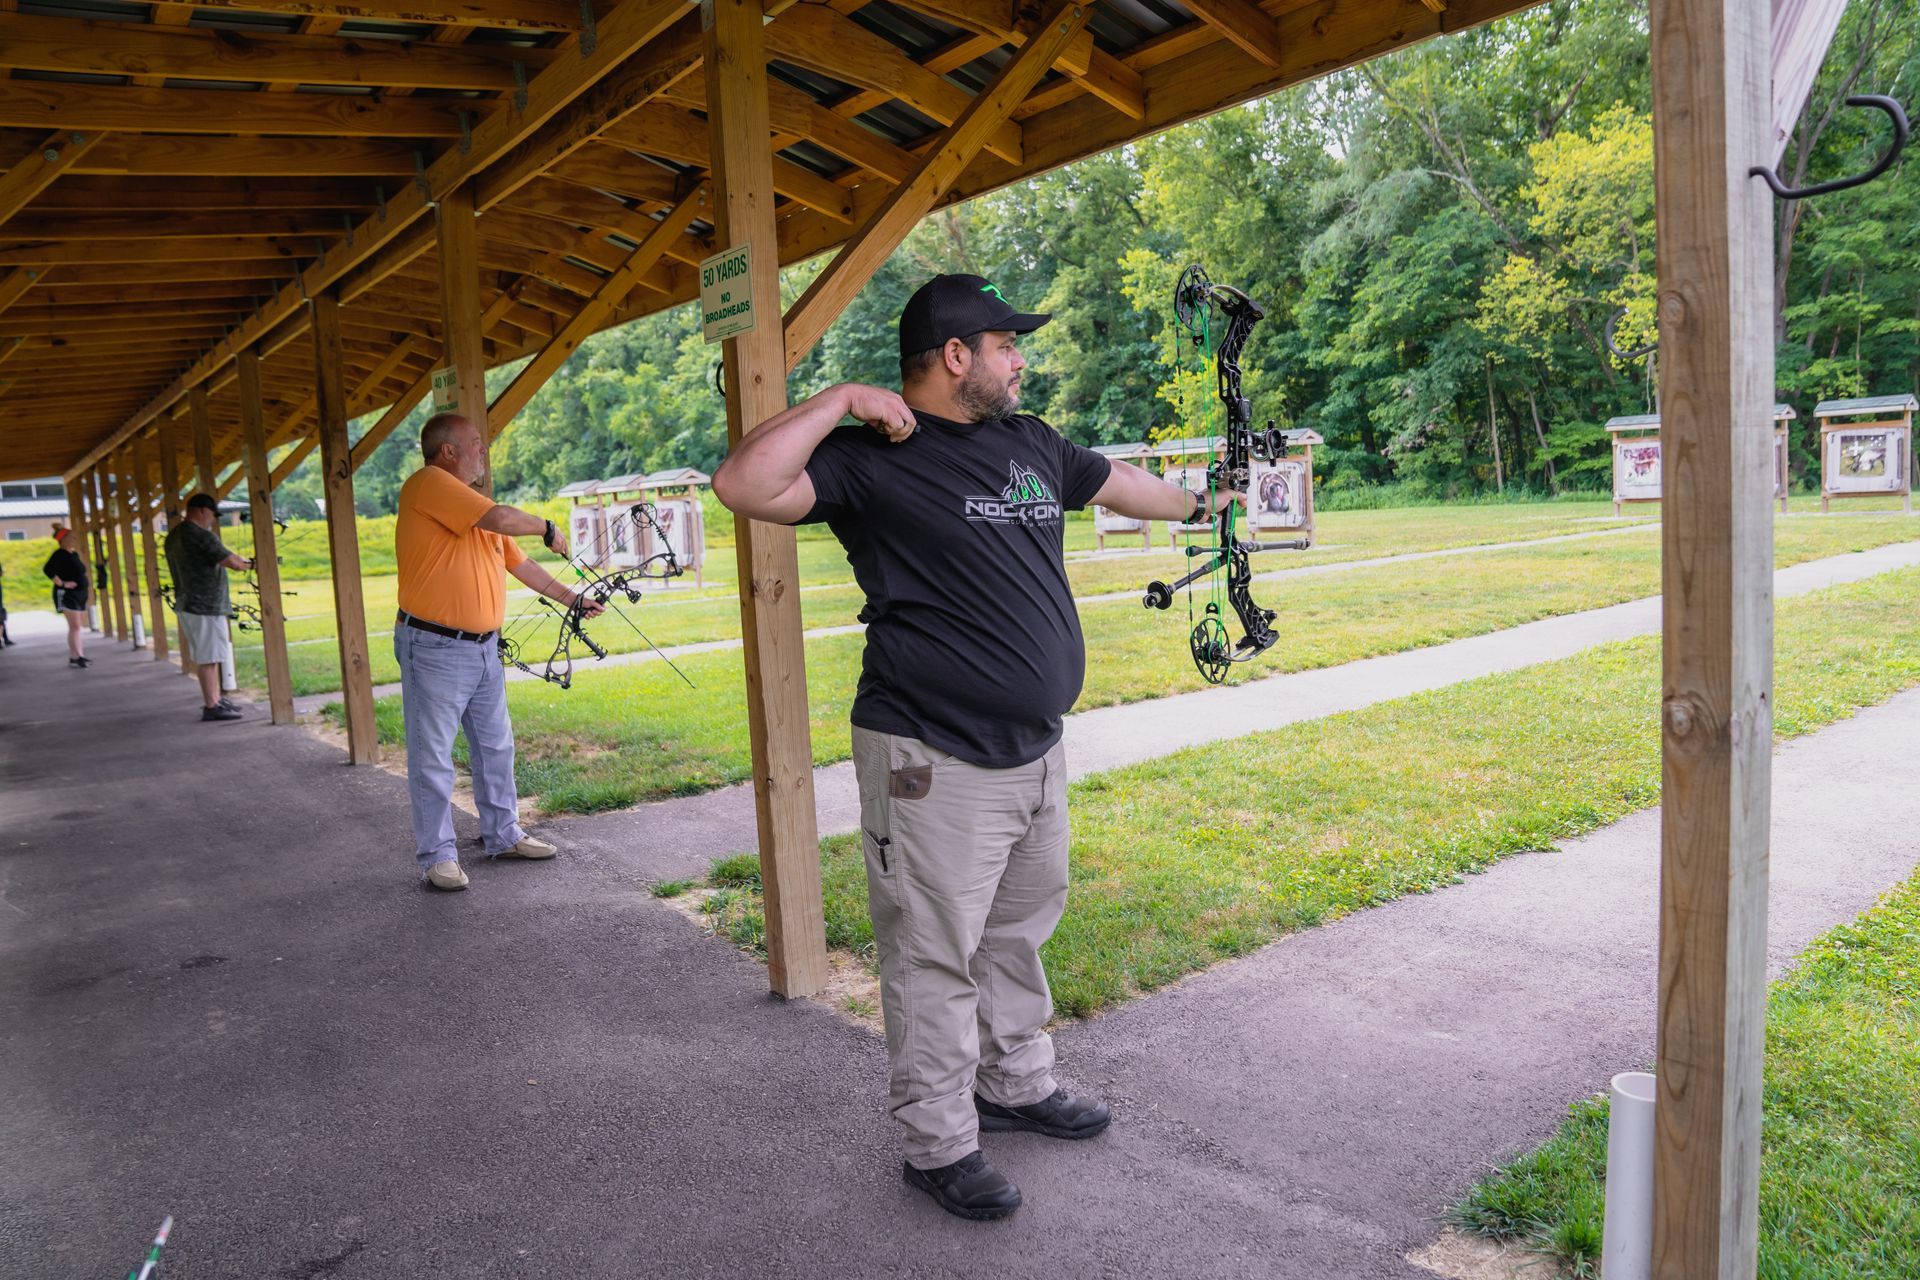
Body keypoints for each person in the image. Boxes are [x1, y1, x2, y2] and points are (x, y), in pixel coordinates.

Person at [711, 273, 1240, 1221]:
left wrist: (1206, 507)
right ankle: (937, 1143)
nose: (1020, 358)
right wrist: (841, 398)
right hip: (930, 757)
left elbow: (1122, 485)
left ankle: (1015, 1083)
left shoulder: (1031, 442)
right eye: (1006, 344)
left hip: (1034, 749)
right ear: (955, 356)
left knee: (1016, 931)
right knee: (932, 955)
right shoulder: (871, 460)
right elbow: (743, 484)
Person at [394, 412, 604, 892]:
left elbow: (521, 565)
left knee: (495, 747)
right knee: (433, 755)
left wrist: (574, 599)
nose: (482, 451)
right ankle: (438, 856)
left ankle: (503, 834)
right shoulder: (428, 484)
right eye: (475, 443)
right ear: (448, 452)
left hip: (484, 648)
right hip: (435, 646)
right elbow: (506, 519)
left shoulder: (475, 508)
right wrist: (546, 525)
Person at [164, 494, 252, 721]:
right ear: (203, 510)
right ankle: (212, 705)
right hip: (205, 605)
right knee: (209, 657)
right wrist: (252, 563)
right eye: (213, 514)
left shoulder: (174, 535)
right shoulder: (200, 535)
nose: (213, 520)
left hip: (187, 602)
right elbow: (232, 562)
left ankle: (215, 699)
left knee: (208, 654)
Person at [41, 525, 91, 668]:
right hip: (68, 595)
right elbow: (47, 570)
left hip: (79, 594)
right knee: (75, 626)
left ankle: (76, 656)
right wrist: (62, 584)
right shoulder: (59, 554)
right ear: (62, 540)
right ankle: (77, 657)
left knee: (76, 627)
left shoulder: (73, 554)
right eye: (70, 537)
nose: (73, 539)